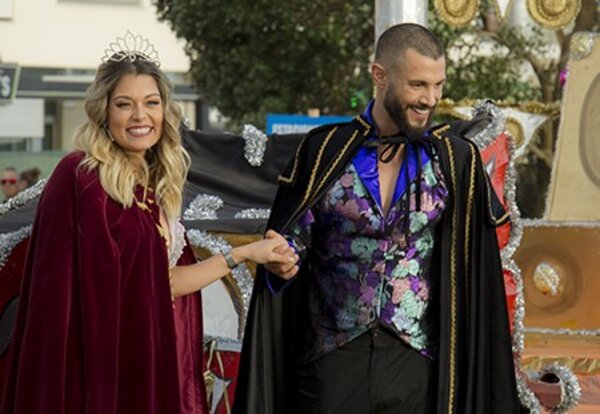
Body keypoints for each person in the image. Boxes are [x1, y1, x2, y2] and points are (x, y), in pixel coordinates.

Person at [234, 23, 523, 414]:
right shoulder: (324, 151)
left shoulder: (454, 160)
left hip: (417, 365)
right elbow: (294, 243)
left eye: (438, 85)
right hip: (331, 363)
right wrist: (284, 260)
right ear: (379, 75)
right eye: (418, 85)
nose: (430, 99)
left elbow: (475, 272)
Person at [0, 33, 294, 414]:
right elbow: (63, 301)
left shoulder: (156, 188)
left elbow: (164, 283)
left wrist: (247, 252)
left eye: (151, 103)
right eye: (125, 104)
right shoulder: (82, 176)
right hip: (93, 373)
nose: (140, 116)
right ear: (104, 113)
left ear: (164, 110)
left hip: (143, 360)